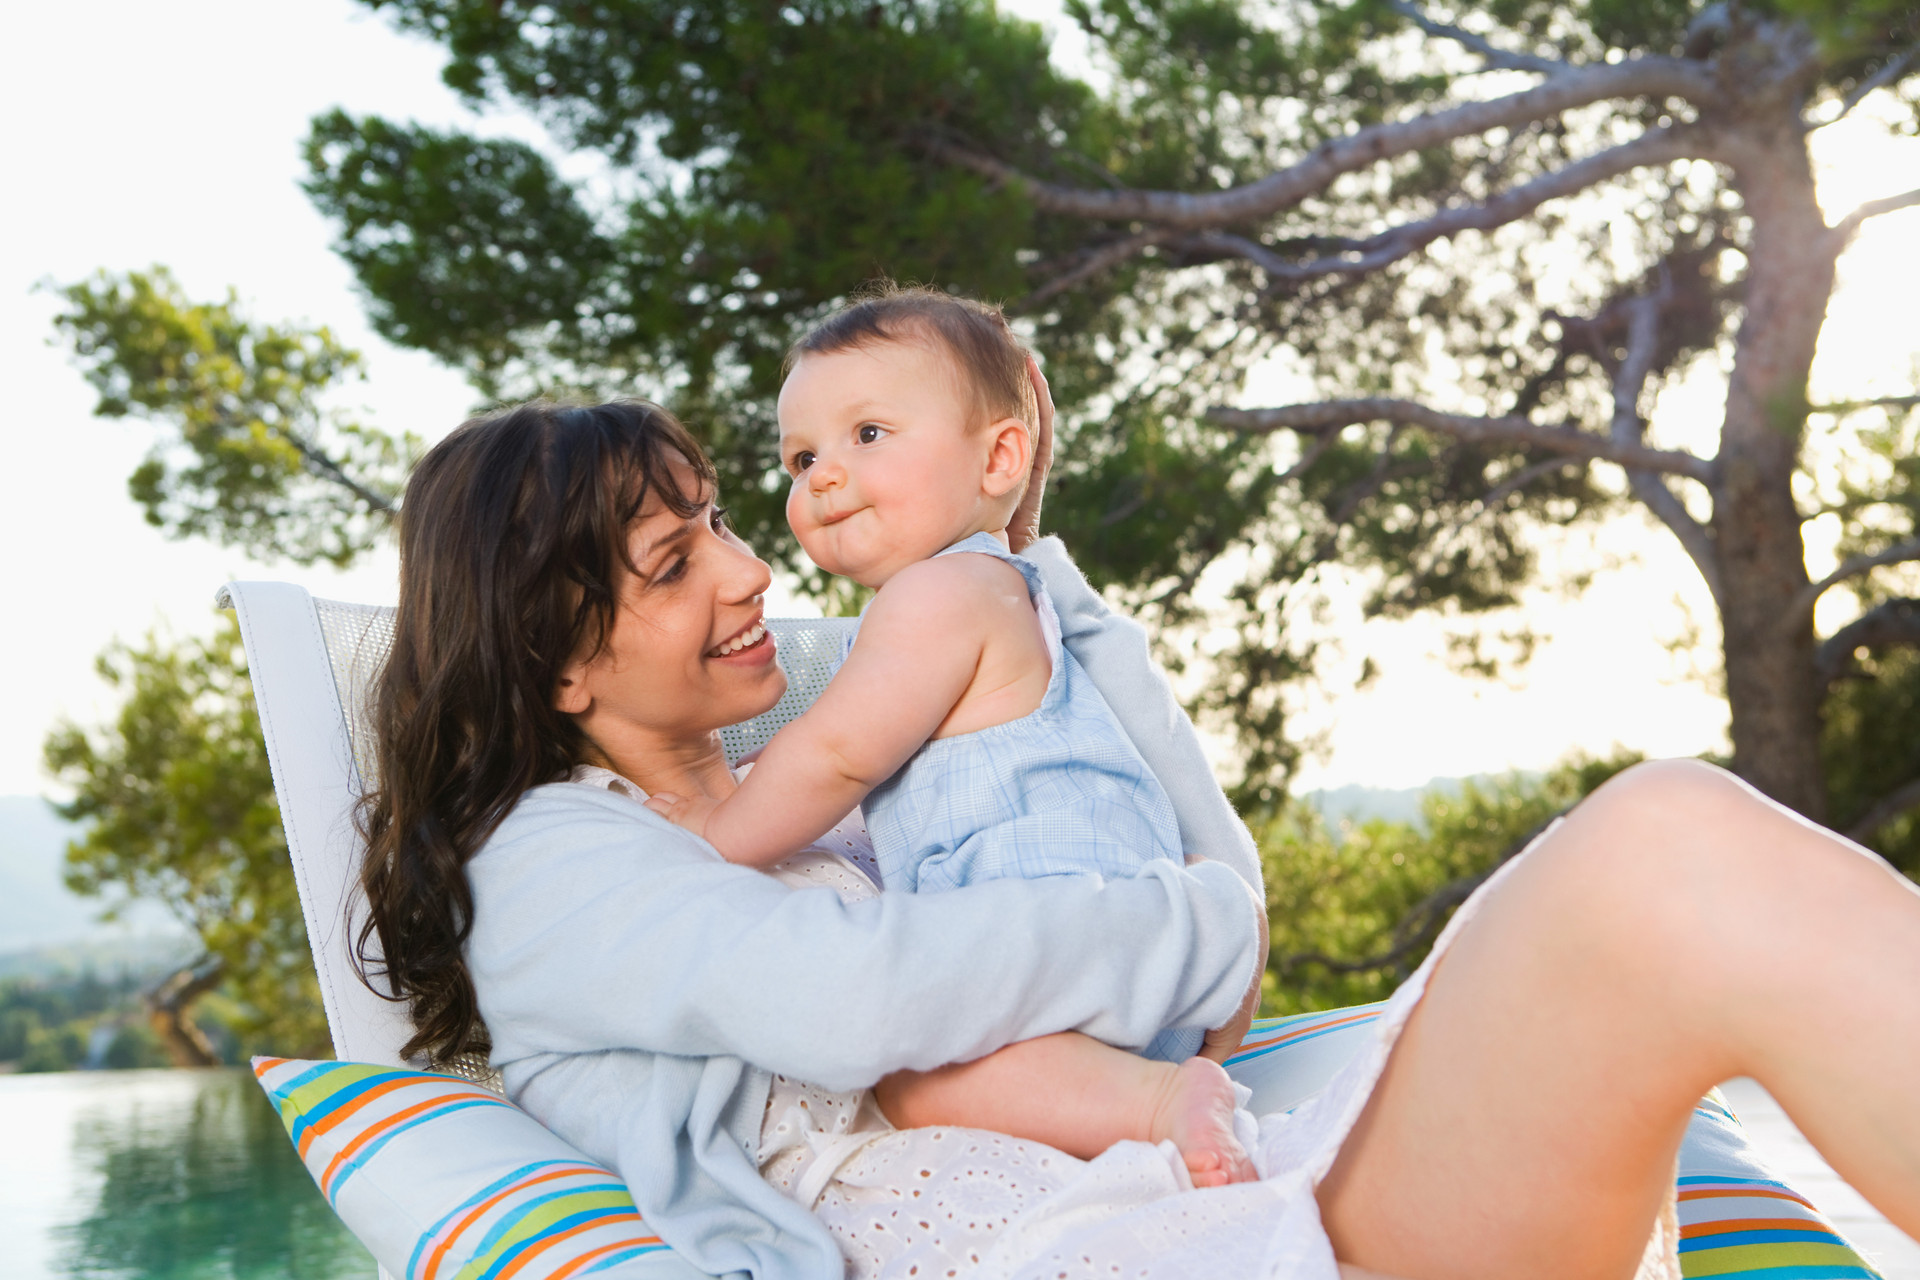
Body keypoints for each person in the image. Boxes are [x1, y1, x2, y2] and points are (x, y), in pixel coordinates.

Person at [360, 390, 1920, 1280]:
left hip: (1207, 1197)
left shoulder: (793, 753)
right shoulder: (549, 864)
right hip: (1102, 1250)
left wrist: (1016, 562)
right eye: (674, 553)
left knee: (1676, 841)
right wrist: (1204, 922)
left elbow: (1099, 735)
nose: (756, 569)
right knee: (1664, 856)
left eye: (721, 517)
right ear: (558, 656)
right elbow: (868, 997)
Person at [643, 287, 1253, 1188]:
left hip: (1056, 926)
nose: (823, 475)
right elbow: (839, 740)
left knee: (911, 1081)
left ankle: (1161, 1105)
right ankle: (1151, 1088)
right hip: (1129, 973)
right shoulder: (1000, 591)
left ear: (1004, 454)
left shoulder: (938, 595)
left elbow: (837, 756)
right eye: (801, 455)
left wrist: (700, 849)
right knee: (939, 1084)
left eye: (869, 435)